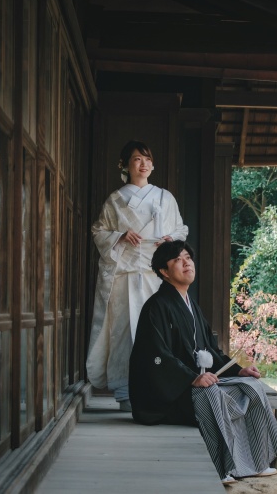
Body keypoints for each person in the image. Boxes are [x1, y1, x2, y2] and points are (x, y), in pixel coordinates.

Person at [129, 241, 277, 484]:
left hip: (196, 384)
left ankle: (258, 462)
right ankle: (223, 467)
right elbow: (155, 356)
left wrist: (239, 370)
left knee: (251, 387)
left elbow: (212, 351)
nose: (187, 262)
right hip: (168, 396)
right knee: (212, 395)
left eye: (188, 257)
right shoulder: (156, 306)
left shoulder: (192, 307)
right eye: (178, 260)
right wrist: (192, 377)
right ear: (163, 271)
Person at [87, 140, 188, 411]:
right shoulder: (115, 200)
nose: (143, 164)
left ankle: (158, 388)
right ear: (126, 165)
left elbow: (181, 230)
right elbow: (98, 231)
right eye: (136, 159)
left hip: (156, 275)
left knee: (157, 332)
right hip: (125, 274)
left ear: (152, 165)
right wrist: (120, 235)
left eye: (147, 159)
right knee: (124, 331)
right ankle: (125, 392)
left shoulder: (166, 198)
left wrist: (170, 239)